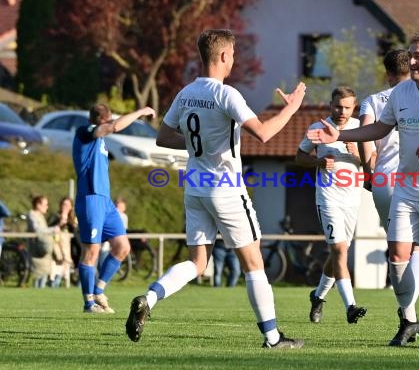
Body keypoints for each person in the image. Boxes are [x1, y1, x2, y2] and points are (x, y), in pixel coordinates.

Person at [125, 29, 306, 348]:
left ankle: (149, 300)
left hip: (195, 185)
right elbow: (263, 134)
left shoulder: (185, 93)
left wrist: (202, 148)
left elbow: (163, 138)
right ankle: (273, 337)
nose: (234, 60)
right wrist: (291, 109)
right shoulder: (226, 94)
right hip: (225, 187)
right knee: (254, 263)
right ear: (223, 56)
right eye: (233, 54)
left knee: (198, 262)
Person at [307, 33, 419, 349]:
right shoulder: (401, 93)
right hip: (405, 187)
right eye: (412, 55)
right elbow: (379, 129)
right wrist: (343, 132)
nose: (413, 60)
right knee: (398, 256)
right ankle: (409, 320)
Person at [359, 49, 419, 329]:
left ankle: (409, 315)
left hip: (384, 180)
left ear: (386, 73)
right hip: (417, 179)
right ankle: (409, 313)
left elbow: (366, 137)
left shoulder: (373, 101)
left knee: (396, 248)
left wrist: (368, 171)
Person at [73, 103, 156, 313]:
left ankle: (99, 290)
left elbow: (113, 128)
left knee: (122, 247)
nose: (112, 124)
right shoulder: (85, 132)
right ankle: (88, 303)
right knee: (91, 251)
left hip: (106, 202)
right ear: (102, 120)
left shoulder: (100, 140)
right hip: (90, 198)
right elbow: (115, 127)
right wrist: (140, 112)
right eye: (109, 120)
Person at [295, 86, 367, 324]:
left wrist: (357, 153)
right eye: (338, 106)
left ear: (354, 108)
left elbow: (371, 164)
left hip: (353, 200)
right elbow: (299, 156)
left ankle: (318, 296)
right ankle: (351, 306)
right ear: (330, 105)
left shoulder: (360, 129)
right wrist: (317, 160)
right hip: (329, 197)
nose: (342, 111)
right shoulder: (318, 128)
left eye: (347, 107)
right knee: (339, 251)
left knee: (339, 252)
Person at [27, 195, 60, 288]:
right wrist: (53, 229)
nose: (47, 207)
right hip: (37, 251)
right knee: (37, 275)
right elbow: (37, 229)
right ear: (38, 204)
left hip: (44, 250)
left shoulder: (41, 216)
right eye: (45, 204)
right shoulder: (32, 214)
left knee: (44, 274)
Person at [48, 197, 77, 288]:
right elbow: (48, 227)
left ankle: (59, 280)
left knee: (66, 263)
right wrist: (60, 222)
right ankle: (53, 282)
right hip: (55, 245)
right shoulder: (54, 216)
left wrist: (70, 222)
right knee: (56, 263)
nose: (65, 207)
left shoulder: (73, 219)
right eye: (64, 204)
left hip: (69, 248)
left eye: (68, 205)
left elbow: (75, 232)